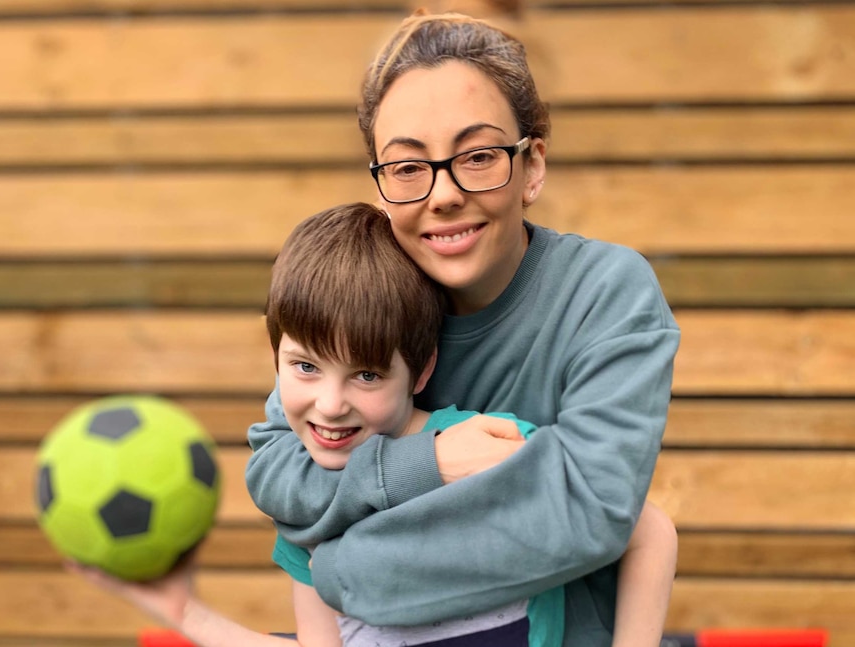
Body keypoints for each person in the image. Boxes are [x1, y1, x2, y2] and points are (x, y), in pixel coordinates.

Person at [245, 10, 681, 647]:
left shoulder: (604, 295)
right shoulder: (370, 295)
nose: (442, 193)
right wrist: (431, 461)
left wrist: (343, 568)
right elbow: (282, 471)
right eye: (408, 166)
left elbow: (588, 512)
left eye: (476, 156)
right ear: (381, 180)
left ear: (531, 165)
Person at [71, 202, 676, 647]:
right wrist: (185, 611)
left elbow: (644, 528)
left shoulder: (480, 445)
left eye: (365, 376)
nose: (330, 405)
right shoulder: (308, 510)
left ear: (421, 370)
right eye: (304, 366)